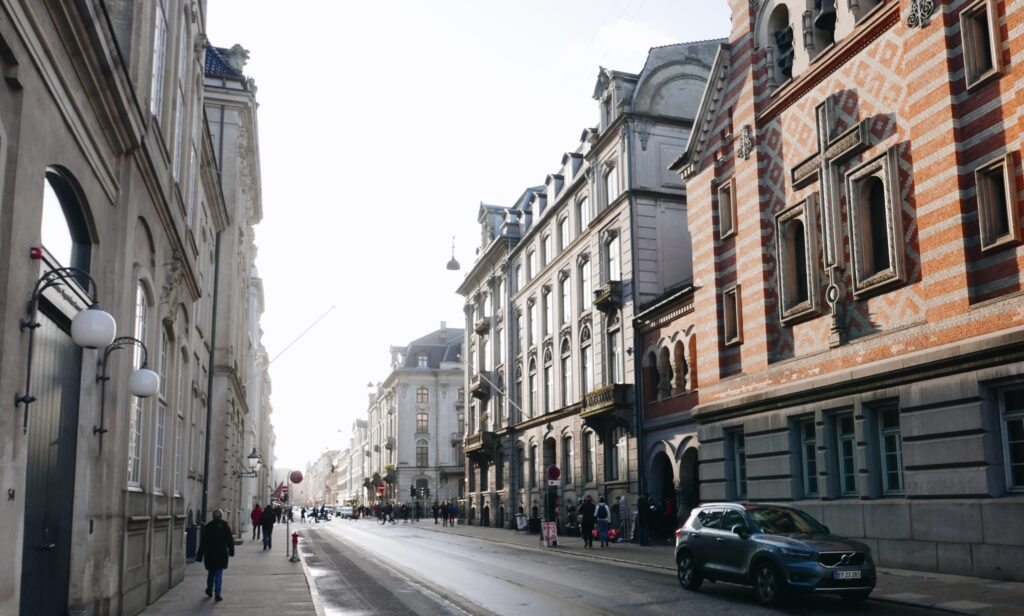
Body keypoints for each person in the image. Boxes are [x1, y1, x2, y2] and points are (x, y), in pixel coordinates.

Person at [195, 509, 234, 602]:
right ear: (221, 516)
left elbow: (203, 542)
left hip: (210, 553)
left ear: (213, 516)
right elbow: (229, 540)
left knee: (211, 572)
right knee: (219, 573)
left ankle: (209, 589)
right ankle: (217, 593)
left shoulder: (209, 526)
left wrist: (199, 556)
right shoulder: (225, 526)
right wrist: (231, 551)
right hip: (221, 553)